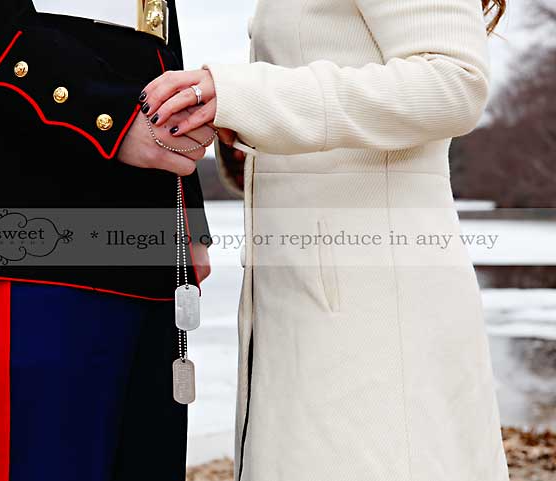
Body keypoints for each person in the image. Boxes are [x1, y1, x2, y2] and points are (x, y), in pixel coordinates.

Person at [141, 0, 510, 480]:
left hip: (375, 309)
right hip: (311, 298)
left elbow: (454, 82)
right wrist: (245, 120)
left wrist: (246, 93)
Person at [0, 1, 212, 480]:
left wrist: (187, 213)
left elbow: (159, 42)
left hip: (150, 221)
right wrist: (108, 116)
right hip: (30, 202)